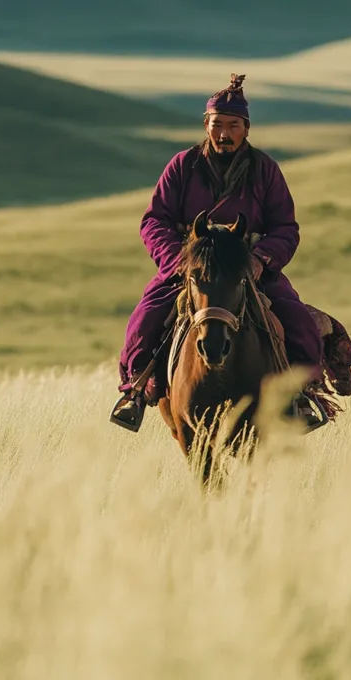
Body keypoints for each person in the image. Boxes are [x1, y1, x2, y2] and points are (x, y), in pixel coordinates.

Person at [110, 74, 323, 431]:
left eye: (233, 126)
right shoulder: (182, 165)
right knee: (144, 321)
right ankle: (136, 392)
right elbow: (154, 220)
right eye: (217, 125)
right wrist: (179, 261)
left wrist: (260, 260)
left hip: (247, 269)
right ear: (206, 126)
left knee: (298, 321)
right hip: (193, 269)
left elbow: (286, 227)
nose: (224, 134)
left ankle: (302, 396)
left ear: (246, 128)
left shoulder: (264, 170)